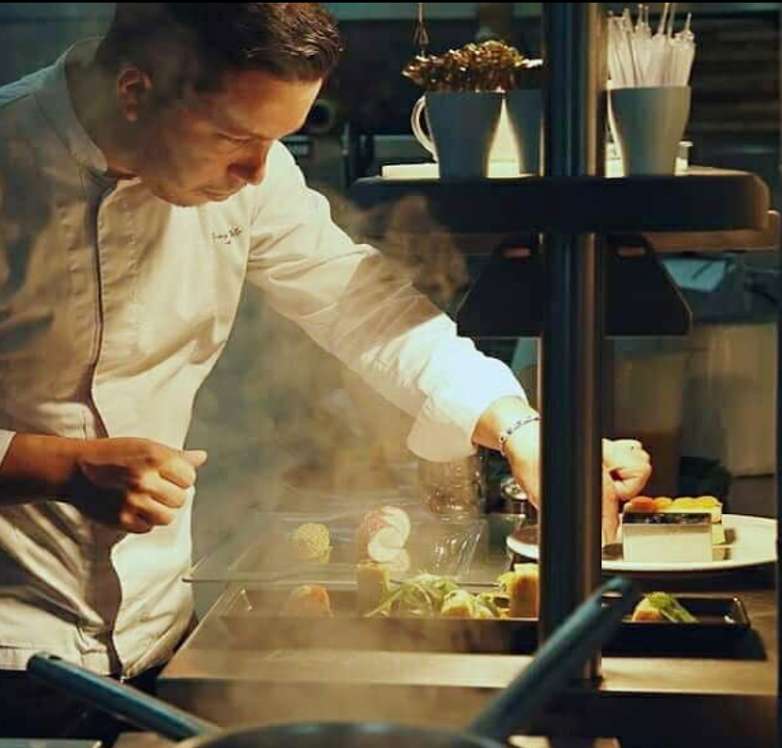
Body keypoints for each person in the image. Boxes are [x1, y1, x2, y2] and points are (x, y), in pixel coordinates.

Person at [0, 3, 651, 738]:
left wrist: (518, 427)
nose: (255, 173)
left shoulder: (254, 170)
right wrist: (56, 466)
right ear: (134, 91)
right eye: (234, 139)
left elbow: (361, 305)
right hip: (13, 646)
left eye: (275, 142)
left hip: (157, 632)